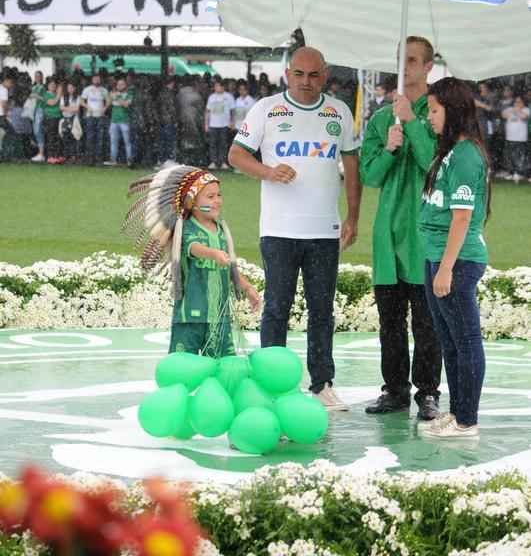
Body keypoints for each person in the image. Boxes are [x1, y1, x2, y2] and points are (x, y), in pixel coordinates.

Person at [228, 47, 362, 410]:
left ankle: (322, 383)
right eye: (299, 74)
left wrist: (353, 216)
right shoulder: (267, 109)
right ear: (288, 74)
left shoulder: (339, 111)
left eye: (314, 75)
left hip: (324, 231)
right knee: (276, 308)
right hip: (279, 229)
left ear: (325, 75)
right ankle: (272, 384)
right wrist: (268, 172)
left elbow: (352, 167)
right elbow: (236, 155)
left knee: (322, 310)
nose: (306, 82)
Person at [360, 36, 442, 421]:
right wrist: (390, 149)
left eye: (412, 60)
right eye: (400, 59)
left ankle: (428, 392)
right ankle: (394, 390)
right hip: (387, 237)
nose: (405, 67)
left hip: (424, 234)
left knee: (427, 324)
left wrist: (411, 123)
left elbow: (435, 166)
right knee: (390, 324)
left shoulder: (439, 114)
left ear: (428, 66)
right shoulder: (381, 119)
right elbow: (370, 176)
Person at [123, 165, 261, 357]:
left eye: (219, 195)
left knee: (222, 363)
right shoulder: (185, 228)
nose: (217, 201)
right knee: (183, 363)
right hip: (190, 316)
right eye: (210, 197)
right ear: (191, 202)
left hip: (219, 317)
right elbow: (194, 248)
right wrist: (213, 253)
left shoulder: (221, 230)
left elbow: (230, 268)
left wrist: (247, 288)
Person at [419, 78, 490, 439]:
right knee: (449, 342)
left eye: (434, 110)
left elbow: (462, 217)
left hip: (456, 261)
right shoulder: (450, 151)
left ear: (454, 110)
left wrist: (446, 268)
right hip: (438, 255)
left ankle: (467, 420)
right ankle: (458, 411)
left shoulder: (465, 156)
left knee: (465, 341)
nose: (430, 117)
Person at [206, 79, 235, 169]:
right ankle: (213, 161)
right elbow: (207, 111)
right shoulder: (211, 97)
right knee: (213, 144)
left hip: (224, 124)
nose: (216, 88)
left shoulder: (229, 97)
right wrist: (206, 124)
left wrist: (232, 122)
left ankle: (223, 162)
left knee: (223, 144)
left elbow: (232, 111)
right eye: (215, 86)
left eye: (218, 86)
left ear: (223, 87)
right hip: (213, 124)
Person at [80, 74, 109, 165]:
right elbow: (81, 101)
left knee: (100, 138)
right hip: (90, 116)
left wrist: (105, 108)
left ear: (100, 80)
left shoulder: (104, 90)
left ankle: (98, 159)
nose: (96, 80)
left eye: (98, 79)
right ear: (92, 80)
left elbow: (109, 100)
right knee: (90, 137)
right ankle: (90, 159)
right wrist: (87, 107)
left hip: (100, 116)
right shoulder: (87, 89)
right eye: (95, 79)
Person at [105, 77, 133, 167]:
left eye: (122, 84)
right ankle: (113, 160)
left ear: (125, 85)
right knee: (113, 142)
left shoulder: (129, 94)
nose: (120, 86)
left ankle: (129, 161)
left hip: (124, 121)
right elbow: (108, 104)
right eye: (118, 84)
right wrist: (109, 96)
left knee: (127, 142)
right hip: (114, 121)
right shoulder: (113, 93)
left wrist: (117, 96)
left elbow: (126, 105)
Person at [501, 94, 530, 182]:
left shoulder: (526, 109)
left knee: (520, 157)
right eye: (516, 102)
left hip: (520, 138)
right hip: (510, 137)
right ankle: (512, 172)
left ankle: (521, 173)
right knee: (510, 156)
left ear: (523, 103)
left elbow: (524, 116)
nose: (517, 103)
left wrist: (516, 111)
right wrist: (513, 110)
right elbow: (503, 115)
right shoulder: (510, 109)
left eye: (519, 102)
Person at [42, 78, 64, 164]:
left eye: (54, 85)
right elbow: (52, 103)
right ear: (48, 86)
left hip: (58, 117)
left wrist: (59, 93)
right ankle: (50, 156)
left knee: (57, 137)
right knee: (51, 137)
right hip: (50, 118)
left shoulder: (57, 94)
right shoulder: (46, 94)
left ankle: (57, 155)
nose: (53, 86)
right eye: (51, 85)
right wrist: (59, 94)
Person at [30, 70, 46, 163]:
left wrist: (37, 96)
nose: (37, 77)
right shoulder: (33, 87)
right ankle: (40, 153)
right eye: (35, 76)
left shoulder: (43, 88)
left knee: (38, 130)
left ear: (41, 77)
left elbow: (45, 99)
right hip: (33, 110)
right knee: (35, 131)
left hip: (40, 109)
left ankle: (41, 153)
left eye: (38, 76)